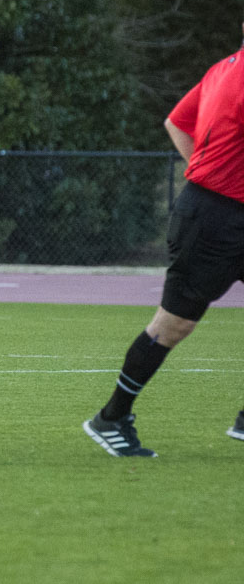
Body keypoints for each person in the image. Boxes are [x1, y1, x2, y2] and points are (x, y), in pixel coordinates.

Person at [83, 38, 244, 457]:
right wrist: (209, 182)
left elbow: (176, 122)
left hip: (222, 207)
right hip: (212, 220)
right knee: (173, 325)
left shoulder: (222, 68)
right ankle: (112, 417)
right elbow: (177, 124)